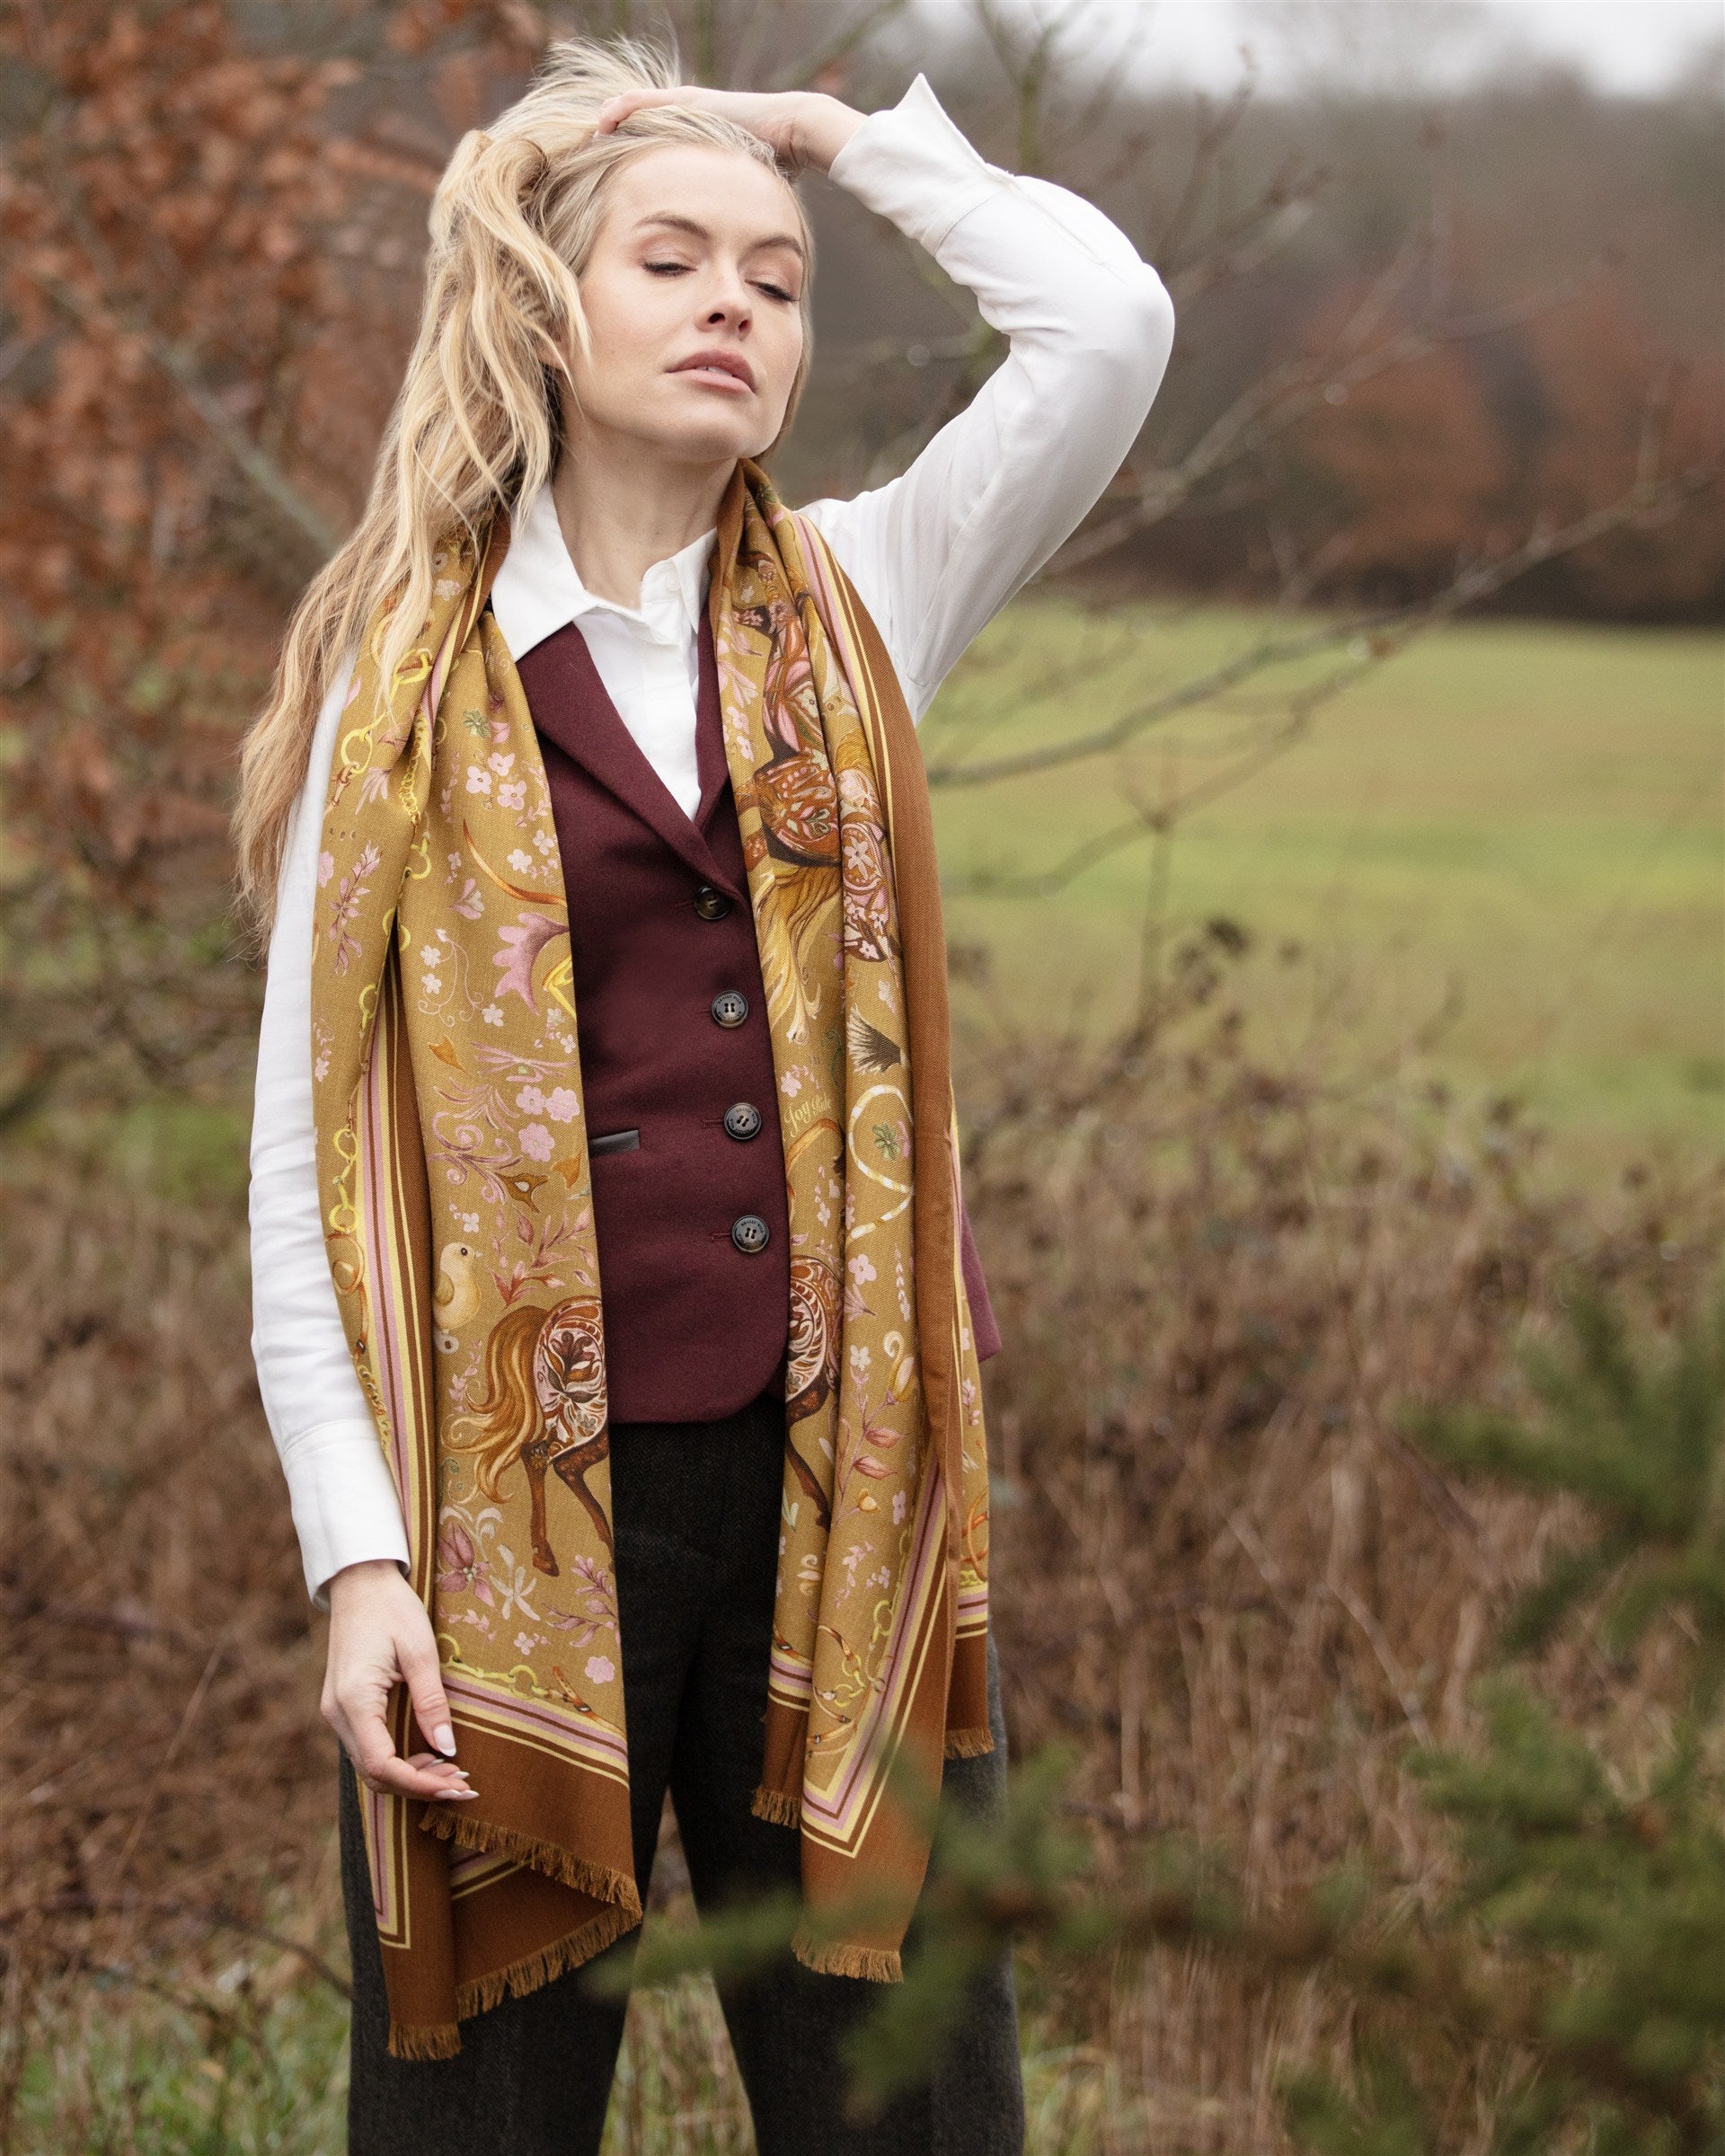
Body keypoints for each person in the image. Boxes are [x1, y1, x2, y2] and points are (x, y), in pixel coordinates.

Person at [237, 31, 1173, 2156]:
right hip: (499, 1529)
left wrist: (838, 140)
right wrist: (356, 1564)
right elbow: (305, 1172)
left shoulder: (867, 593)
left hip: (844, 1503)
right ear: (545, 309)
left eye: (777, 276)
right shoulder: (395, 690)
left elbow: (1107, 322)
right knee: (471, 2124)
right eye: (670, 259)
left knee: (913, 2114)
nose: (735, 301)